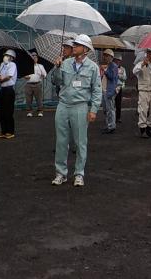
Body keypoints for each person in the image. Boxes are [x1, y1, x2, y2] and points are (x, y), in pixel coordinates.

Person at [49, 35, 102, 187]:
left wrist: (93, 110)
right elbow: (56, 82)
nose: (73, 47)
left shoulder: (92, 67)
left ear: (85, 49)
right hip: (63, 105)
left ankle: (79, 174)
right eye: (74, 44)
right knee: (61, 141)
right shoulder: (65, 63)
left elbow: (97, 90)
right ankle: (61, 173)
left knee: (80, 142)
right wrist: (57, 67)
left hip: (80, 106)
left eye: (77, 45)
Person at [0, 49, 17, 139]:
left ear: (11, 58)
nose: (5, 57)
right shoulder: (2, 64)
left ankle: (10, 131)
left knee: (8, 111)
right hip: (3, 89)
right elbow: (0, 75)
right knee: (2, 111)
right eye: (5, 55)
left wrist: (1, 79)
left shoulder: (12, 64)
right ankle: (3, 130)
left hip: (9, 89)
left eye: (7, 56)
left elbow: (9, 76)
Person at [100, 48, 119, 134]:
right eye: (104, 55)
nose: (105, 57)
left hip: (109, 90)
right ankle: (108, 125)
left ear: (111, 57)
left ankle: (111, 126)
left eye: (107, 55)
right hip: (104, 89)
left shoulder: (113, 66)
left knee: (110, 109)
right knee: (106, 109)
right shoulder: (107, 65)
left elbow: (112, 77)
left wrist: (105, 71)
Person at [24, 52, 46, 118]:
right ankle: (29, 111)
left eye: (35, 57)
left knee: (39, 99)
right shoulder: (27, 66)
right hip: (28, 84)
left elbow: (45, 74)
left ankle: (40, 111)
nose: (34, 58)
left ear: (37, 58)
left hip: (38, 84)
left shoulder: (40, 66)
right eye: (33, 57)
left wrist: (43, 75)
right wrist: (26, 76)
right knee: (28, 99)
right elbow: (24, 75)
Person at [114, 54, 126, 123]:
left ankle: (118, 118)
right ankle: (111, 118)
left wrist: (118, 75)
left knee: (118, 103)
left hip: (119, 87)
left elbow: (125, 78)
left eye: (119, 60)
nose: (118, 62)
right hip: (112, 87)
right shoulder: (111, 67)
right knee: (111, 104)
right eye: (116, 60)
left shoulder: (122, 69)